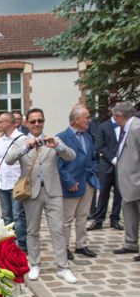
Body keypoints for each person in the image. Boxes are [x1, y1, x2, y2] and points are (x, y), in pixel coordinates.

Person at [6, 108, 77, 284]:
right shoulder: (21, 142)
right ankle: (35, 263)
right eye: (33, 121)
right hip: (32, 192)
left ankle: (63, 267)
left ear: (43, 122)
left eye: (40, 121)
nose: (37, 124)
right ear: (27, 123)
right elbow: (9, 160)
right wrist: (26, 147)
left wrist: (58, 146)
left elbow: (71, 156)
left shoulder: (53, 140)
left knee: (58, 229)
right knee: (32, 230)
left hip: (53, 191)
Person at [57, 104, 100, 260]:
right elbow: (59, 165)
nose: (89, 120)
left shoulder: (87, 136)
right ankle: (65, 247)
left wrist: (93, 171)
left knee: (83, 215)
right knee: (67, 219)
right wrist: (69, 181)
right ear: (76, 119)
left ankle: (81, 245)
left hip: (87, 181)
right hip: (71, 184)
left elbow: (93, 158)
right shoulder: (61, 137)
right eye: (86, 117)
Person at [0, 112, 28, 251]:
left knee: (18, 215)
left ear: (10, 123)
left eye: (1, 121)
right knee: (6, 216)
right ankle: (10, 244)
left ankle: (22, 244)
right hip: (3, 184)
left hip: (17, 183)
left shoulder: (22, 139)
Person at [111, 102, 140, 261]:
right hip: (127, 182)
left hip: (137, 180)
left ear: (119, 116)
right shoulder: (127, 127)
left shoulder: (136, 128)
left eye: (114, 117)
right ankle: (131, 243)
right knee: (129, 214)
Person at [89, 112, 123, 231]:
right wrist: (113, 159)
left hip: (122, 166)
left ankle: (115, 219)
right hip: (106, 166)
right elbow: (100, 146)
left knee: (119, 194)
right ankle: (99, 219)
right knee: (103, 193)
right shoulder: (103, 126)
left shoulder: (125, 126)